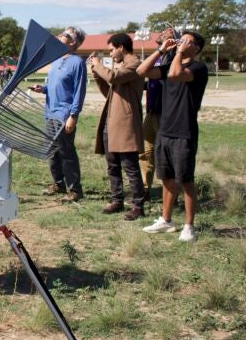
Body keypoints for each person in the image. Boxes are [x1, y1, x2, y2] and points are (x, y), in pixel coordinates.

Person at [137, 30, 208, 242]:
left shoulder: (198, 67)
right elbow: (142, 70)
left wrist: (179, 52)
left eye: (188, 41)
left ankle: (189, 226)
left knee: (185, 180)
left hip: (183, 132)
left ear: (196, 48)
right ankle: (166, 220)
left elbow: (176, 74)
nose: (183, 42)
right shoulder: (170, 63)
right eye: (182, 39)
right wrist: (161, 50)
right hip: (165, 131)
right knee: (166, 178)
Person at [88, 33, 146, 220]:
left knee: (130, 166)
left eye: (112, 50)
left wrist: (98, 65)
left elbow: (112, 77)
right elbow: (110, 93)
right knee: (112, 165)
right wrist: (97, 74)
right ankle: (117, 200)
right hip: (111, 122)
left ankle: (138, 205)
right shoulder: (122, 67)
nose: (111, 54)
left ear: (121, 47)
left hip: (126, 124)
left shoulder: (135, 64)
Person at [31, 26, 88, 202]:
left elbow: (79, 91)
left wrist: (74, 115)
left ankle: (75, 190)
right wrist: (43, 89)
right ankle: (59, 183)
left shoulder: (77, 62)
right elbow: (57, 85)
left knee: (66, 152)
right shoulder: (56, 60)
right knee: (52, 151)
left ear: (73, 42)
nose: (59, 36)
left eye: (64, 35)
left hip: (64, 114)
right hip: (50, 113)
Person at [138, 33, 172, 204]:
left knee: (167, 156)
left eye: (168, 33)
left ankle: (173, 195)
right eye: (163, 32)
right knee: (145, 154)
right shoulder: (158, 58)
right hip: (150, 114)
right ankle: (145, 191)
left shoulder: (172, 60)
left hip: (165, 116)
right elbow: (146, 77)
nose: (163, 34)